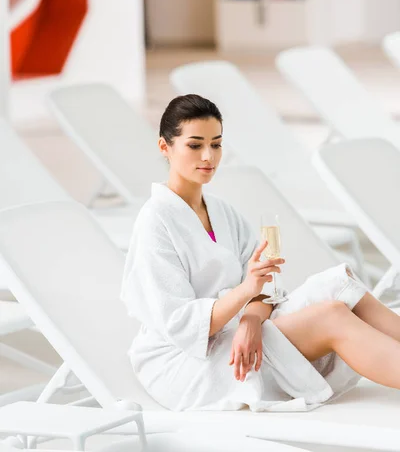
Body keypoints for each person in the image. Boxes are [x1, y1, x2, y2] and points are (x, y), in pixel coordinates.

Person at [121, 94, 400, 412]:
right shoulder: (155, 222)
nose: (209, 156)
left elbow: (264, 288)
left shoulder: (222, 212)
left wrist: (249, 322)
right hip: (187, 362)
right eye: (195, 145)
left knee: (339, 285)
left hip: (240, 331)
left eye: (217, 144)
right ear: (165, 148)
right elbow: (181, 324)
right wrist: (246, 293)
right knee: (331, 315)